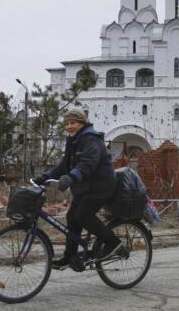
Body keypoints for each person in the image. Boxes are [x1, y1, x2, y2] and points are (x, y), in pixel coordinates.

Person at [36, 109, 122, 270]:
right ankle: (70, 256)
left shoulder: (91, 140)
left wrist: (71, 177)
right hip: (85, 187)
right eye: (67, 123)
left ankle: (113, 243)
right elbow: (64, 166)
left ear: (82, 123)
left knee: (82, 216)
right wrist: (45, 176)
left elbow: (88, 164)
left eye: (73, 123)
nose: (69, 126)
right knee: (72, 217)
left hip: (101, 186)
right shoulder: (73, 141)